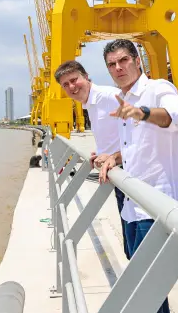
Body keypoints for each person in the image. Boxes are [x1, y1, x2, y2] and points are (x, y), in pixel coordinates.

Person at [96, 39, 178, 313]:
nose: (118, 68)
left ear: (137, 61)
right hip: (134, 208)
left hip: (156, 208)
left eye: (123, 61)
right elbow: (136, 148)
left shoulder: (158, 89)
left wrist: (142, 112)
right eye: (111, 65)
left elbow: (177, 117)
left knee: (141, 294)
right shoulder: (124, 101)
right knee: (154, 290)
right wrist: (113, 158)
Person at [53, 59, 130, 259]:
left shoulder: (110, 97)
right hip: (118, 173)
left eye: (74, 79)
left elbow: (142, 134)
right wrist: (102, 151)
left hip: (132, 173)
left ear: (86, 77)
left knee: (140, 250)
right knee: (132, 248)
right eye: (65, 84)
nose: (71, 87)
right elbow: (117, 133)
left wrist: (114, 156)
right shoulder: (91, 104)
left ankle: (153, 291)